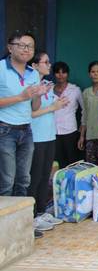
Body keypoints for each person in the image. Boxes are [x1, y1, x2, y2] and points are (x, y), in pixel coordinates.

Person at [0, 33, 49, 200]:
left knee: (23, 180)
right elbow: (22, 98)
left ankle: (19, 216)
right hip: (4, 130)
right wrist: (21, 97)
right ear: (10, 47)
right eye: (22, 45)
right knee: (7, 181)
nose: (26, 49)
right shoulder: (1, 68)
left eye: (30, 46)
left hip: (26, 130)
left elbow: (34, 106)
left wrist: (38, 95)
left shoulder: (33, 73)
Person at [29, 52, 67, 234]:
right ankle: (31, 216)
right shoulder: (30, 86)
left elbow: (51, 106)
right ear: (34, 65)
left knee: (45, 176)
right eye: (45, 62)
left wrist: (60, 103)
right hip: (35, 137)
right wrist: (53, 107)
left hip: (49, 135)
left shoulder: (47, 85)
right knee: (34, 177)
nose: (49, 65)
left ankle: (42, 212)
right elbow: (30, 113)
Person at [52, 62, 83, 168]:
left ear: (68, 74)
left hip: (70, 131)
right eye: (58, 72)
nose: (61, 75)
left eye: (63, 72)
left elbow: (85, 110)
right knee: (57, 163)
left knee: (72, 162)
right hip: (53, 131)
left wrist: (82, 126)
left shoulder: (75, 90)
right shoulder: (48, 89)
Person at [78, 61, 98, 164]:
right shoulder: (86, 92)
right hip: (90, 136)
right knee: (91, 166)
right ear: (89, 74)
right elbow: (84, 115)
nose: (95, 74)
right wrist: (82, 136)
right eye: (93, 72)